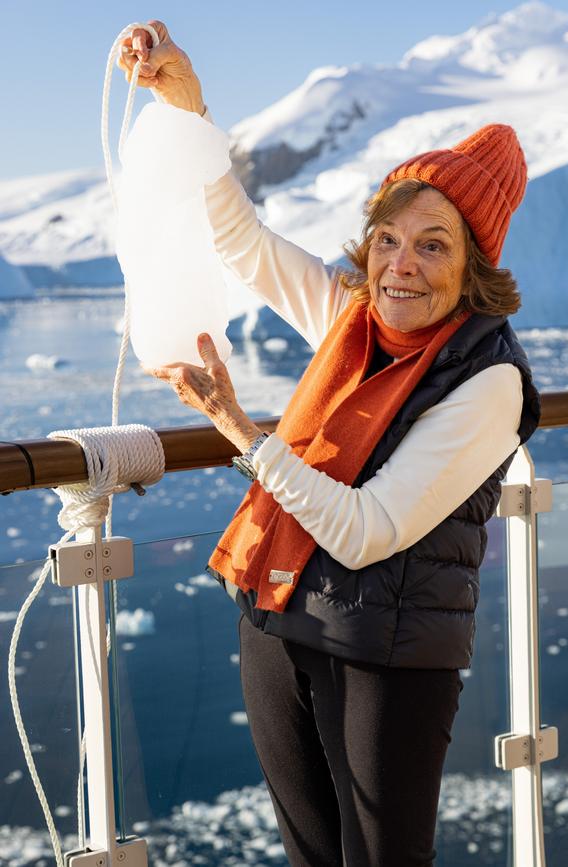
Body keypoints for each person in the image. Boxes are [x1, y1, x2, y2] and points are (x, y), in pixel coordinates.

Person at [121, 21, 541, 866]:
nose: (400, 266)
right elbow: (242, 243)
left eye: (433, 246)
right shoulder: (353, 315)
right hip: (278, 620)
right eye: (388, 239)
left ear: (473, 268)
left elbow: (363, 529)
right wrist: (190, 106)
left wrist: (244, 433)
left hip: (386, 655)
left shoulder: (488, 381)